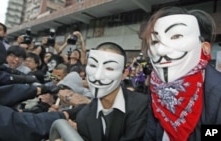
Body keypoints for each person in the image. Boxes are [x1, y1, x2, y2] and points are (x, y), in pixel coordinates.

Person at [0, 25, 67, 141]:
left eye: (29, 61)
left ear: (38, 64)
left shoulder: (39, 75)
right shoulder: (16, 73)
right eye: (27, 60)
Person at [141, 7, 221, 141]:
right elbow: (151, 131)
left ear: (205, 48)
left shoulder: (217, 92)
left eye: (176, 36)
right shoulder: (156, 87)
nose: (160, 50)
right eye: (155, 41)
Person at [74, 42, 149, 141]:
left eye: (109, 68)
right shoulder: (83, 117)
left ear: (124, 74)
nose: (97, 76)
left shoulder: (141, 104)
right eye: (93, 65)